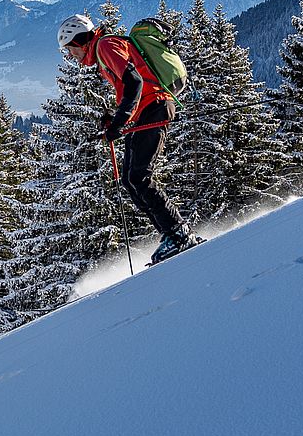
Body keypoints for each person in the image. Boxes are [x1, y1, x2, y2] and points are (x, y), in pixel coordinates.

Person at [57, 13, 200, 264]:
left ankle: (179, 234)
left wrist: (120, 121)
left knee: (140, 176)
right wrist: (115, 119)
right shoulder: (103, 51)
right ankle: (171, 234)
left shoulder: (105, 45)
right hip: (146, 109)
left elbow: (135, 82)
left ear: (79, 41)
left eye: (69, 49)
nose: (70, 56)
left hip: (155, 106)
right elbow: (132, 88)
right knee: (129, 179)